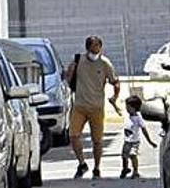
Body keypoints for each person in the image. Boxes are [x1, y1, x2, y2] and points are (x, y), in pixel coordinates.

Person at [65, 35, 121, 179]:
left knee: (97, 140)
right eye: (92, 50)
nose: (94, 53)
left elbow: (115, 81)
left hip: (96, 107)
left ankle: (97, 167)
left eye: (97, 49)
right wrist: (70, 72)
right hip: (79, 106)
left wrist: (115, 97)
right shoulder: (79, 61)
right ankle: (82, 163)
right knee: (73, 135)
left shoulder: (104, 63)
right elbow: (68, 79)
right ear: (87, 49)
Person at [120, 96, 157, 179]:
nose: (127, 109)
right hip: (127, 141)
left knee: (133, 155)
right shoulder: (126, 115)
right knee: (124, 156)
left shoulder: (138, 118)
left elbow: (144, 129)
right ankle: (125, 169)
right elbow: (119, 111)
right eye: (126, 106)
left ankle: (135, 171)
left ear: (135, 108)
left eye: (129, 107)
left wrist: (150, 141)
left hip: (134, 141)